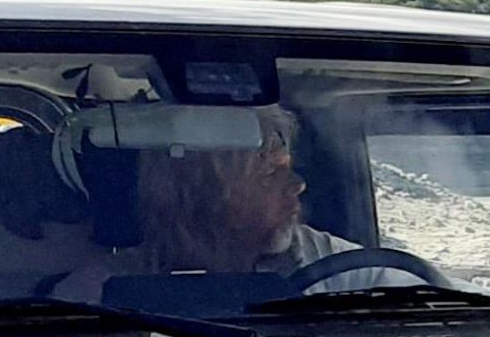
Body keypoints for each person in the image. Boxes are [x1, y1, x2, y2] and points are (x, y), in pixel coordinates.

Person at [61, 104, 390, 300]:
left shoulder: (344, 268)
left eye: (288, 168)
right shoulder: (99, 294)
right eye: (268, 174)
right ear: (198, 193)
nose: (298, 185)